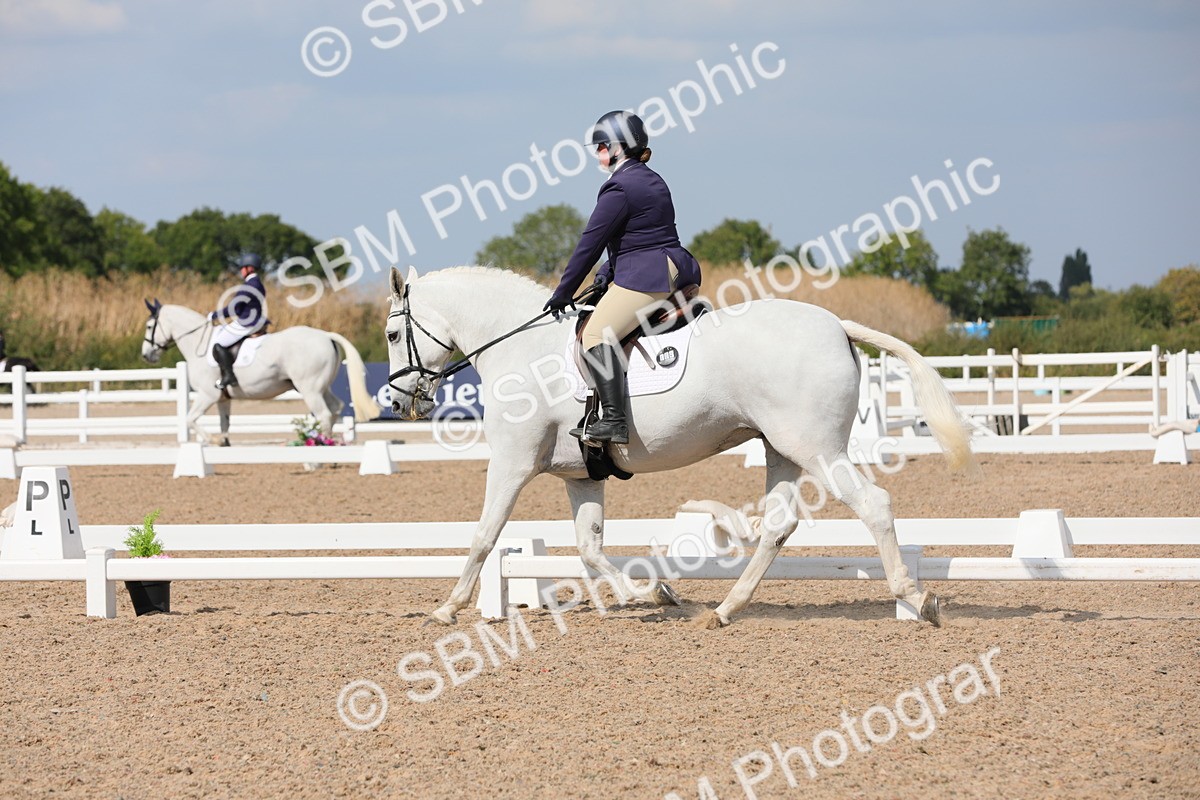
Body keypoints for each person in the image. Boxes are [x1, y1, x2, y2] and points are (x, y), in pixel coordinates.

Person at [544, 110, 702, 444]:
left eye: (601, 147)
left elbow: (590, 244)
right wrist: (605, 273)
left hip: (648, 274)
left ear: (617, 148)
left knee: (595, 335)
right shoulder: (650, 178)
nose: (598, 154)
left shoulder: (618, 187)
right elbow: (637, 237)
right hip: (673, 264)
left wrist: (564, 291)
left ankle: (614, 421)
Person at [209, 252, 268, 390]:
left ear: (249, 268)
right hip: (256, 320)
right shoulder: (258, 284)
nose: (241, 271)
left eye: (242, 268)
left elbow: (234, 308)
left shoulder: (250, 285)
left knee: (218, 343)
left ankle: (229, 376)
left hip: (248, 323)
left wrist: (214, 315)